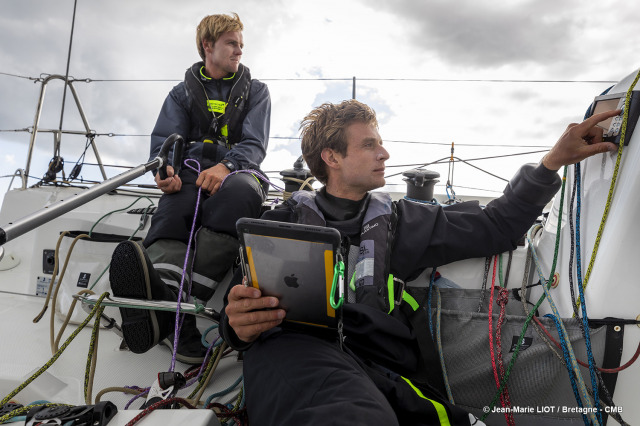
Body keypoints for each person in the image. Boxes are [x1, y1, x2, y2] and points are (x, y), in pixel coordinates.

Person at [218, 99, 620, 425]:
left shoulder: (406, 221)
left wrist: (551, 163)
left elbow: (496, 227)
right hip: (292, 353)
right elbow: (236, 311)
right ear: (332, 157)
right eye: (369, 145)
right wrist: (237, 323)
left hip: (379, 366)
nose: (385, 153)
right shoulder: (277, 225)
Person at [109, 13, 271, 365]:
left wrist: (226, 166)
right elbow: (164, 145)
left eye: (241, 45)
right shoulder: (181, 94)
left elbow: (255, 145)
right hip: (190, 172)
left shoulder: (256, 92)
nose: (239, 51)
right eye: (231, 43)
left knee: (240, 195)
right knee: (174, 204)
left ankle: (178, 302)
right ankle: (169, 304)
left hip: (239, 172)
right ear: (207, 46)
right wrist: (165, 171)